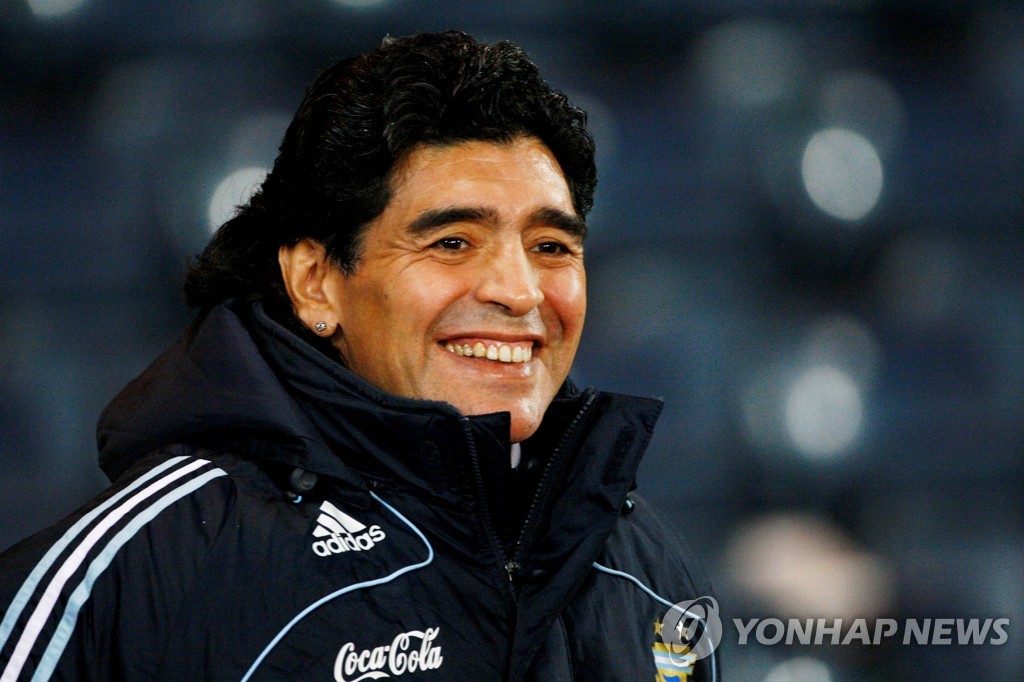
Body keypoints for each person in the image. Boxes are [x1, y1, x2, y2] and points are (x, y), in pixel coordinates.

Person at [0, 31, 715, 681]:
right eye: (452, 243)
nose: (520, 290)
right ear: (316, 282)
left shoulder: (646, 564)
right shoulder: (141, 576)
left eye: (551, 247)